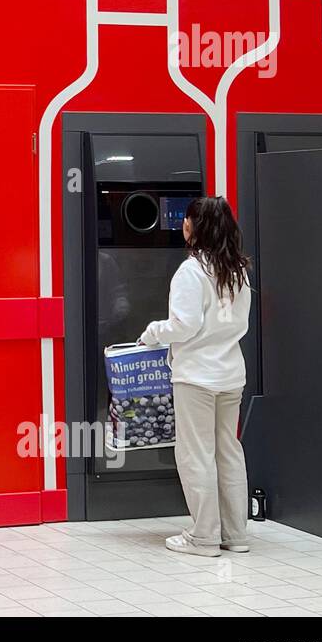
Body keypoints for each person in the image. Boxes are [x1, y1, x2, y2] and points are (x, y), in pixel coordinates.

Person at [138, 196, 252, 557]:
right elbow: (239, 323)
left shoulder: (191, 271)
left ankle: (203, 537)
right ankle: (235, 534)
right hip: (231, 374)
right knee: (228, 452)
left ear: (195, 228)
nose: (182, 225)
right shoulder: (237, 270)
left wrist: (153, 332)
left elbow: (183, 326)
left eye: (186, 220)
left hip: (197, 377)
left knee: (196, 455)